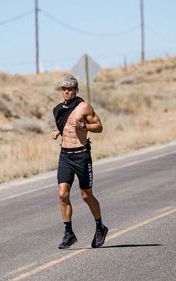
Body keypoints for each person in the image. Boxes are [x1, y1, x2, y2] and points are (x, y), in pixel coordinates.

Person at [52, 75, 108, 249]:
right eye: (64, 89)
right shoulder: (57, 109)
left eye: (70, 89)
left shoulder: (84, 107)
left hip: (81, 155)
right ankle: (69, 233)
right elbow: (66, 127)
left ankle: (100, 227)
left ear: (76, 90)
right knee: (62, 194)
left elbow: (99, 127)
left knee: (86, 195)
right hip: (65, 156)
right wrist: (58, 132)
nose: (67, 91)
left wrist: (84, 126)